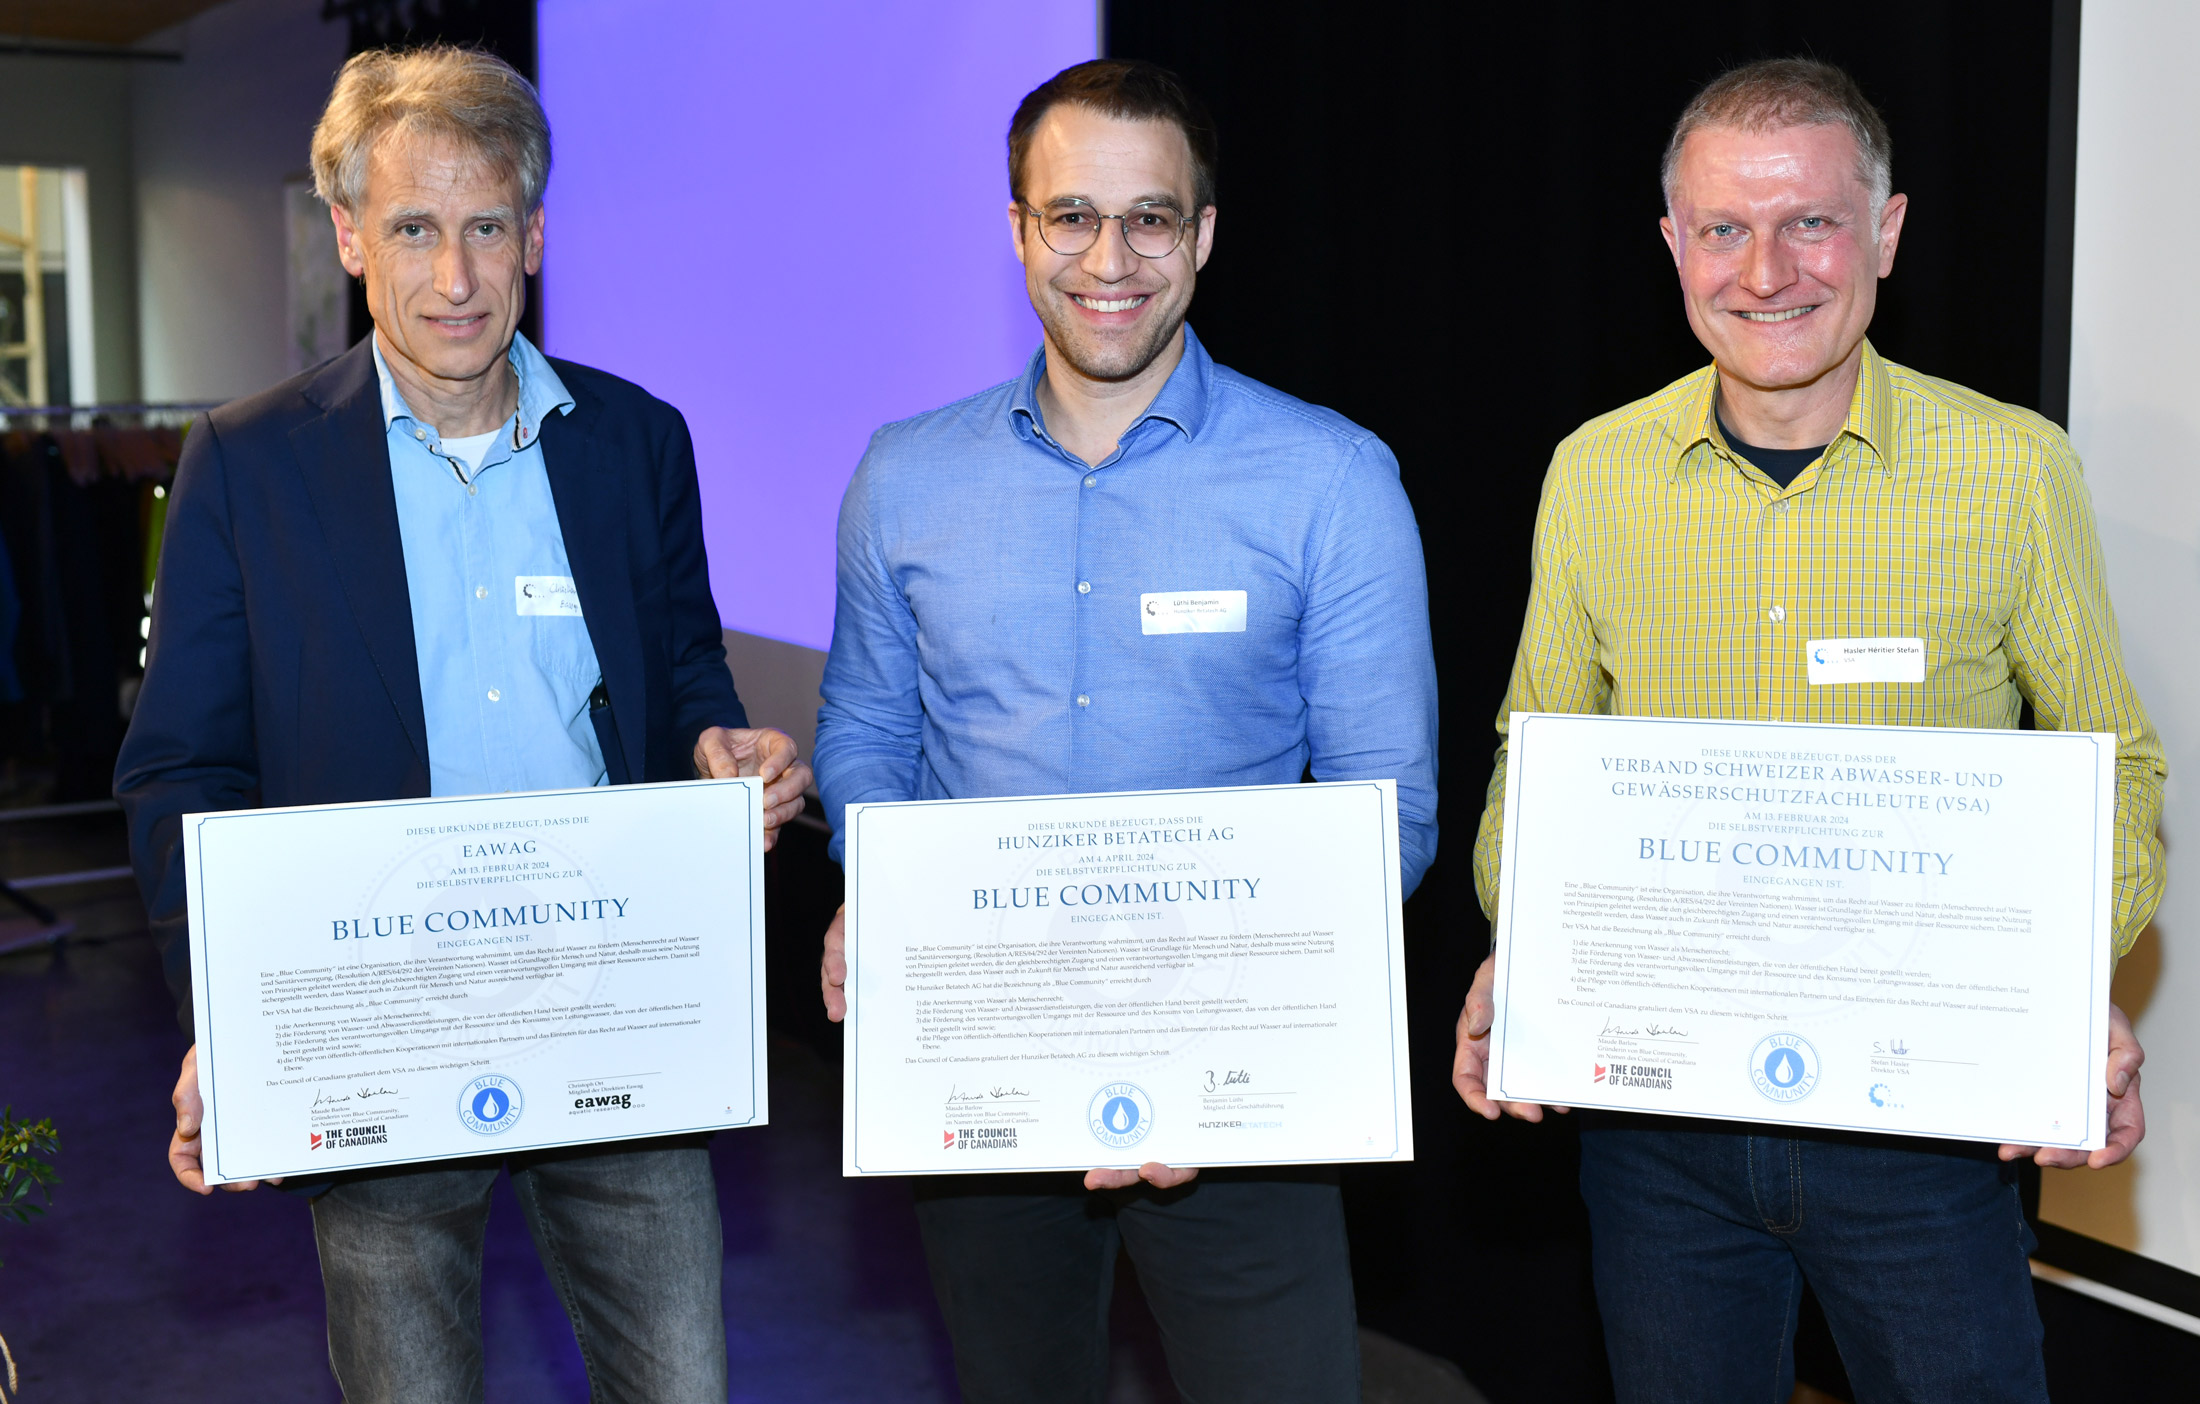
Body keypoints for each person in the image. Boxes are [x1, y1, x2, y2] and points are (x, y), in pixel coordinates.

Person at [1452, 58, 2161, 1404]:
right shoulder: (1595, 474)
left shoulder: (2011, 470)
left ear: (1886, 233)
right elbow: (1531, 762)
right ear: (1673, 243)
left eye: (1811, 223)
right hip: (1658, 1132)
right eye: (1724, 227)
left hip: (1923, 1129)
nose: (1766, 271)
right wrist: (1530, 942)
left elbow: (2116, 763)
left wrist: (2067, 978)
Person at [114, 46, 810, 1404]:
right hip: (377, 1029)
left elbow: (683, 669)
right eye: (414, 230)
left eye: (488, 228)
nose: (455, 278)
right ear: (348, 236)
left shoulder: (636, 442)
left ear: (535, 235)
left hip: (616, 1014)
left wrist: (721, 750)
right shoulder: (248, 463)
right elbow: (182, 765)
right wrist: (227, 1021)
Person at [811, 58, 1438, 1404]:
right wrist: (888, 890)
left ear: (1202, 235)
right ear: (1019, 230)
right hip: (981, 1058)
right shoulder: (903, 476)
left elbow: (1388, 806)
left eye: (1150, 218)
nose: (1110, 259)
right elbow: (864, 737)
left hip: (1245, 1081)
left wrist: (1196, 1035)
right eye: (1072, 216)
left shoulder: (1331, 480)